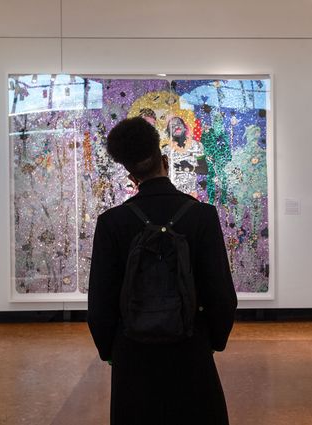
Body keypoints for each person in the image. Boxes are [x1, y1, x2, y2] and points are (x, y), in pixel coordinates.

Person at [87, 116, 238, 425]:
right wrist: (210, 341)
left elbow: (100, 304)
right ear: (164, 159)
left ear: (130, 174)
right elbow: (222, 297)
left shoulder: (112, 223)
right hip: (190, 349)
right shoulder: (202, 216)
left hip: (133, 353)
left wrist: (112, 350)